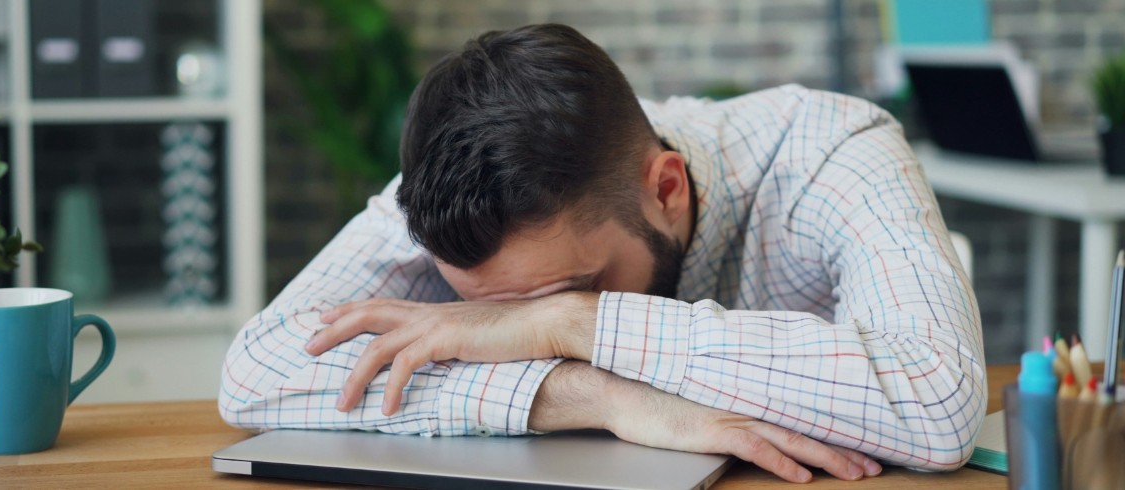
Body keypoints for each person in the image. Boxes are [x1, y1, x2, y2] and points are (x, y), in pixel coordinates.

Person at [220, 23, 985, 483]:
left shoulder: (833, 150)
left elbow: (938, 400)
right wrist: (595, 396)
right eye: (490, 308)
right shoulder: (449, 190)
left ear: (667, 188)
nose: (506, 327)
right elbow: (255, 373)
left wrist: (571, 324)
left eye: (565, 288)